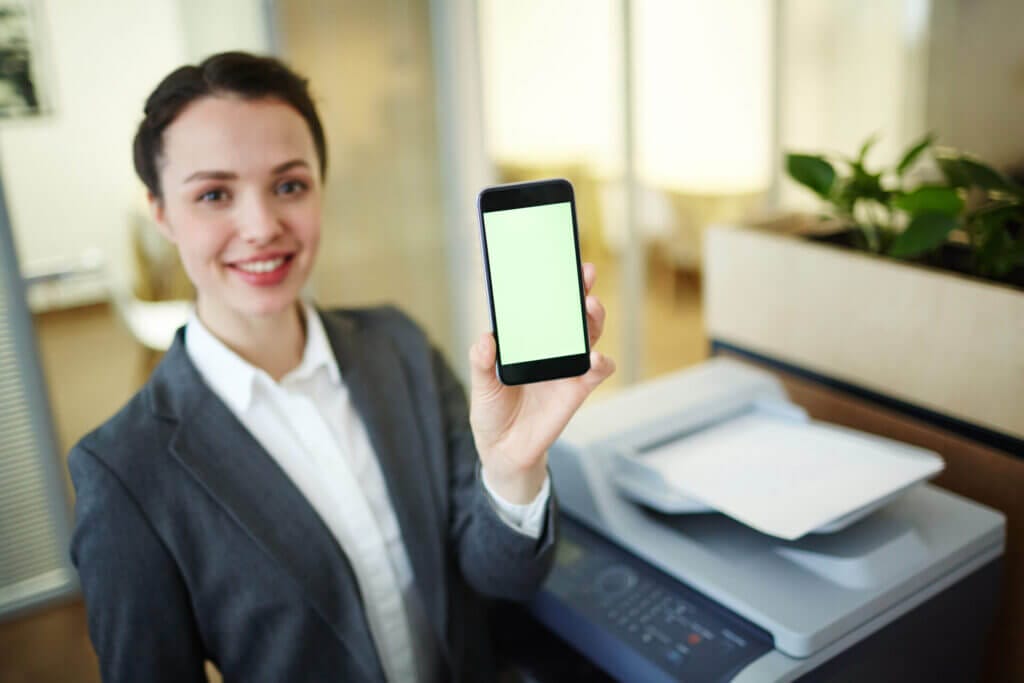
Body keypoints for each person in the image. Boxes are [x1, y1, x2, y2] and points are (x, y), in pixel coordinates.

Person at [68, 52, 614, 683]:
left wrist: (512, 469)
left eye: (289, 185)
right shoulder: (124, 473)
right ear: (161, 212)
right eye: (214, 194)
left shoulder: (399, 347)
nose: (261, 226)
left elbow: (501, 579)